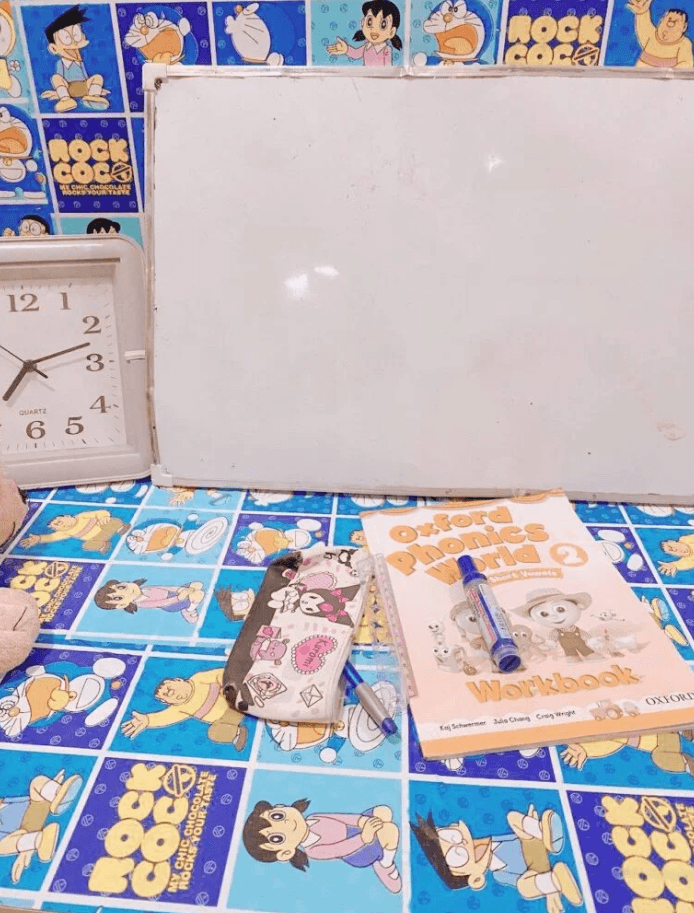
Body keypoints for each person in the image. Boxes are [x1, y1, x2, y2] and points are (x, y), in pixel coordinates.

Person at [411, 805, 582, 911]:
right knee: (524, 886)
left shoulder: (493, 841)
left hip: (531, 841)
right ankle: (554, 879)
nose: (462, 843)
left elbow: (516, 831)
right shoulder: (500, 874)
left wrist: (530, 827)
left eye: (452, 836)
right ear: (476, 879)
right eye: (458, 856)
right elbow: (525, 881)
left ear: (454, 826)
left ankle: (545, 833)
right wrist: (550, 890)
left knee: (512, 818)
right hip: (537, 870)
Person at [242, 798, 402, 892]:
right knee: (390, 830)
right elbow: (341, 849)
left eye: (278, 817)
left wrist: (363, 821)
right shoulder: (313, 851)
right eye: (277, 838)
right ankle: (385, 863)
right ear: (286, 853)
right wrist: (365, 837)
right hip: (357, 851)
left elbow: (345, 819)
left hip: (357, 828)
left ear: (281, 807)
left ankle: (380, 845)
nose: (288, 824)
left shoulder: (314, 817)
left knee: (384, 811)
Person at [120, 667, 248, 750]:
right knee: (213, 733)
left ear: (179, 680)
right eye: (167, 696)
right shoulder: (180, 708)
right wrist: (148, 720)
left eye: (171, 689)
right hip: (226, 719)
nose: (174, 694)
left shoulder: (198, 679)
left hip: (234, 700)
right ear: (167, 702)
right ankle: (237, 733)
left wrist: (225, 686)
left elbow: (219, 674)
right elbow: (165, 717)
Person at [42, 5, 109, 112]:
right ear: (54, 48)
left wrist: (92, 87)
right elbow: (60, 80)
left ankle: (94, 97)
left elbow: (85, 76)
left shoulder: (79, 60)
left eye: (76, 35)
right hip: (68, 87)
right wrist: (59, 92)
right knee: (56, 78)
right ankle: (65, 99)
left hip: (83, 86)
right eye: (66, 38)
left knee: (98, 77)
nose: (74, 43)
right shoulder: (61, 63)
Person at [94, 578, 204, 624]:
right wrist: (178, 598)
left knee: (197, 585)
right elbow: (161, 603)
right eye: (119, 598)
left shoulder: (145, 589)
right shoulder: (141, 603)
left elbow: (164, 588)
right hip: (171, 604)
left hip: (173, 594)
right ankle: (189, 609)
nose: (127, 591)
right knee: (199, 595)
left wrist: (179, 589)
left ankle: (186, 604)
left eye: (121, 588)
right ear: (123, 604)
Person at [19, 510, 130, 555]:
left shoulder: (81, 517)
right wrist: (39, 539)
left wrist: (103, 517)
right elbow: (52, 537)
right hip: (97, 537)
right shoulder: (67, 532)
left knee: (111, 522)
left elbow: (99, 512)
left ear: (68, 516)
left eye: (59, 521)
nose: (60, 525)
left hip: (103, 527)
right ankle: (103, 544)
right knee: (87, 545)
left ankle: (120, 527)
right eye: (56, 526)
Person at [327, 1, 402, 66]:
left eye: (383, 25)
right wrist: (346, 49)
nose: (374, 29)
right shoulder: (366, 47)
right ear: (363, 23)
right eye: (369, 22)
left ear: (392, 32)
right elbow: (356, 54)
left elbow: (388, 68)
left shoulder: (386, 50)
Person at [627, 0, 693, 67]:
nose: (670, 24)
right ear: (660, 21)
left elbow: (686, 63)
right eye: (668, 19)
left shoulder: (684, 43)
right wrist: (642, 13)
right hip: (641, 75)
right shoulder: (652, 35)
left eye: (676, 21)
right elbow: (643, 25)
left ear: (684, 27)